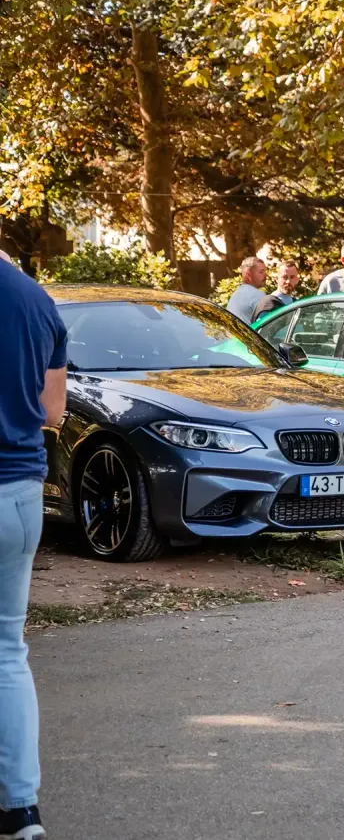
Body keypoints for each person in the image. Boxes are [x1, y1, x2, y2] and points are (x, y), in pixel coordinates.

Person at [0, 256, 67, 840]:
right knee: (6, 652)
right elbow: (52, 412)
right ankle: (22, 811)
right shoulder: (37, 301)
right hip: (18, 491)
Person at [226, 256, 267, 323]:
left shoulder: (235, 295)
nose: (265, 276)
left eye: (265, 271)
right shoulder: (258, 295)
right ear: (248, 274)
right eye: (261, 272)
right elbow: (268, 325)